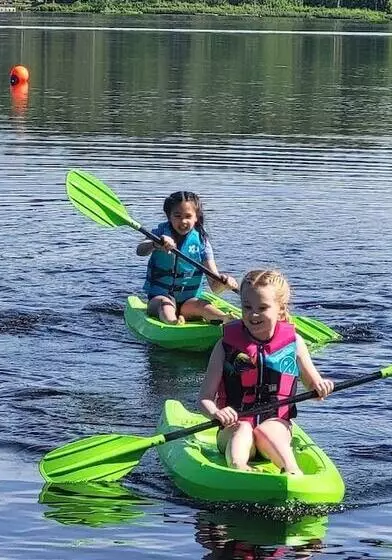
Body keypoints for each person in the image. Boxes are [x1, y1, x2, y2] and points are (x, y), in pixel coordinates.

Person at [198, 270, 334, 475]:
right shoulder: (225, 345)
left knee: (268, 429)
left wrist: (321, 387)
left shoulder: (294, 343)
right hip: (232, 428)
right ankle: (239, 468)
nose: (253, 314)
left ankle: (291, 471)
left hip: (276, 425)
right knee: (243, 429)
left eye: (262, 308)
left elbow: (314, 386)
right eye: (247, 307)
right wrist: (216, 413)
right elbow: (204, 398)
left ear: (280, 310)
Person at [137, 191, 239, 325]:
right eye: (177, 216)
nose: (183, 221)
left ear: (196, 217)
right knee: (166, 305)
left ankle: (226, 319)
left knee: (203, 305)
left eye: (188, 216)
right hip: (159, 298)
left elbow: (215, 287)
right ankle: (173, 322)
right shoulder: (159, 234)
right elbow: (140, 251)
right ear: (169, 216)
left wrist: (226, 283)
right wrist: (155, 244)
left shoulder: (202, 243)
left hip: (188, 302)